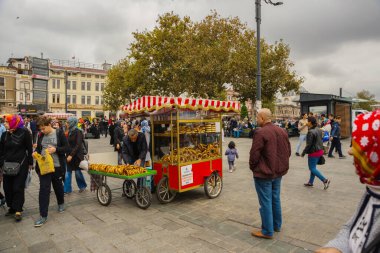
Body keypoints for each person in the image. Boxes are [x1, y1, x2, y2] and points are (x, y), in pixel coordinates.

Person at [316, 110, 380, 253]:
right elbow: (355, 227)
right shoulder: (374, 190)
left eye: (362, 147)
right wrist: (337, 248)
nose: (351, 151)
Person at [249, 108, 291, 239]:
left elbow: (254, 154)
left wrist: (254, 167)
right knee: (275, 198)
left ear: (262, 117)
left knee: (266, 201)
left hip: (264, 173)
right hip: (278, 172)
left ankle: (267, 230)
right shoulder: (282, 131)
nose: (256, 119)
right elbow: (288, 151)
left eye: (257, 117)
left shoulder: (260, 133)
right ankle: (276, 225)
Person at [33, 116, 69, 227]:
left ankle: (61, 203)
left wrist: (56, 149)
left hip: (57, 166)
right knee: (44, 190)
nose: (42, 131)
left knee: (58, 186)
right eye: (40, 129)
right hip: (44, 167)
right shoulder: (41, 135)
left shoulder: (59, 133)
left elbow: (67, 148)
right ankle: (43, 215)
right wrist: (35, 153)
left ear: (49, 125)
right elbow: (39, 149)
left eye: (43, 128)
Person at [0, 114, 33, 221]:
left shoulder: (25, 132)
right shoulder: (4, 134)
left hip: (21, 164)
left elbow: (29, 148)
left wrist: (30, 163)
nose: (5, 124)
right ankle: (12, 207)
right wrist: (1, 163)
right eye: (5, 122)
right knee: (7, 187)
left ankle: (18, 209)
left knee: (17, 187)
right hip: (7, 165)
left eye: (7, 122)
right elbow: (1, 150)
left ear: (14, 122)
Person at [301, 116, 331, 189]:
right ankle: (310, 182)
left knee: (312, 168)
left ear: (310, 122)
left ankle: (325, 180)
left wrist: (303, 152)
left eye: (307, 121)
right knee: (313, 168)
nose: (306, 122)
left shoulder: (310, 132)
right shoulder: (319, 129)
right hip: (320, 151)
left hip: (313, 152)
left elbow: (309, 144)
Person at [64, 117, 87, 194]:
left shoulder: (78, 131)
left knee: (78, 172)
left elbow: (78, 145)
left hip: (77, 155)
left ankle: (82, 186)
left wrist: (71, 155)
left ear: (72, 123)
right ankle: (67, 190)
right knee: (68, 173)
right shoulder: (68, 131)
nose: (66, 124)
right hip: (69, 155)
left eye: (68, 122)